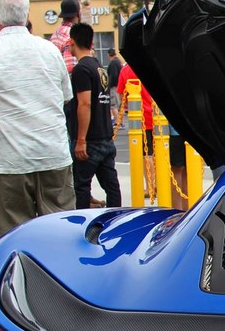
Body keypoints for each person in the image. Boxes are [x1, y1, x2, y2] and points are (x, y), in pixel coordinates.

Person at [0, 0, 74, 238]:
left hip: (8, 159)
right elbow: (66, 96)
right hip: (53, 154)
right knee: (60, 230)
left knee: (12, 235)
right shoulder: (50, 50)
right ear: (27, 16)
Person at [65, 22, 120, 211]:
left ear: (72, 42)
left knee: (82, 187)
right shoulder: (99, 67)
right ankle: (115, 217)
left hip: (89, 140)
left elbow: (85, 103)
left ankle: (81, 223)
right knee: (112, 186)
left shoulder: (81, 69)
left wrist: (81, 140)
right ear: (91, 43)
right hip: (105, 137)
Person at [117, 63, 156, 197]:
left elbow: (122, 95)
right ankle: (159, 184)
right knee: (158, 153)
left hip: (140, 118)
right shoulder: (150, 64)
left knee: (146, 154)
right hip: (158, 115)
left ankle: (150, 187)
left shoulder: (126, 70)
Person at [50, 0, 80, 73]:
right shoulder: (72, 34)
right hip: (67, 78)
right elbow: (71, 67)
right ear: (78, 14)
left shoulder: (55, 34)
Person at [106, 47, 123, 120]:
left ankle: (118, 122)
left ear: (109, 54)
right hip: (119, 86)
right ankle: (120, 122)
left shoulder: (113, 63)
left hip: (114, 87)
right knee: (119, 106)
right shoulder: (118, 61)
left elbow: (113, 76)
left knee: (114, 105)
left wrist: (109, 85)